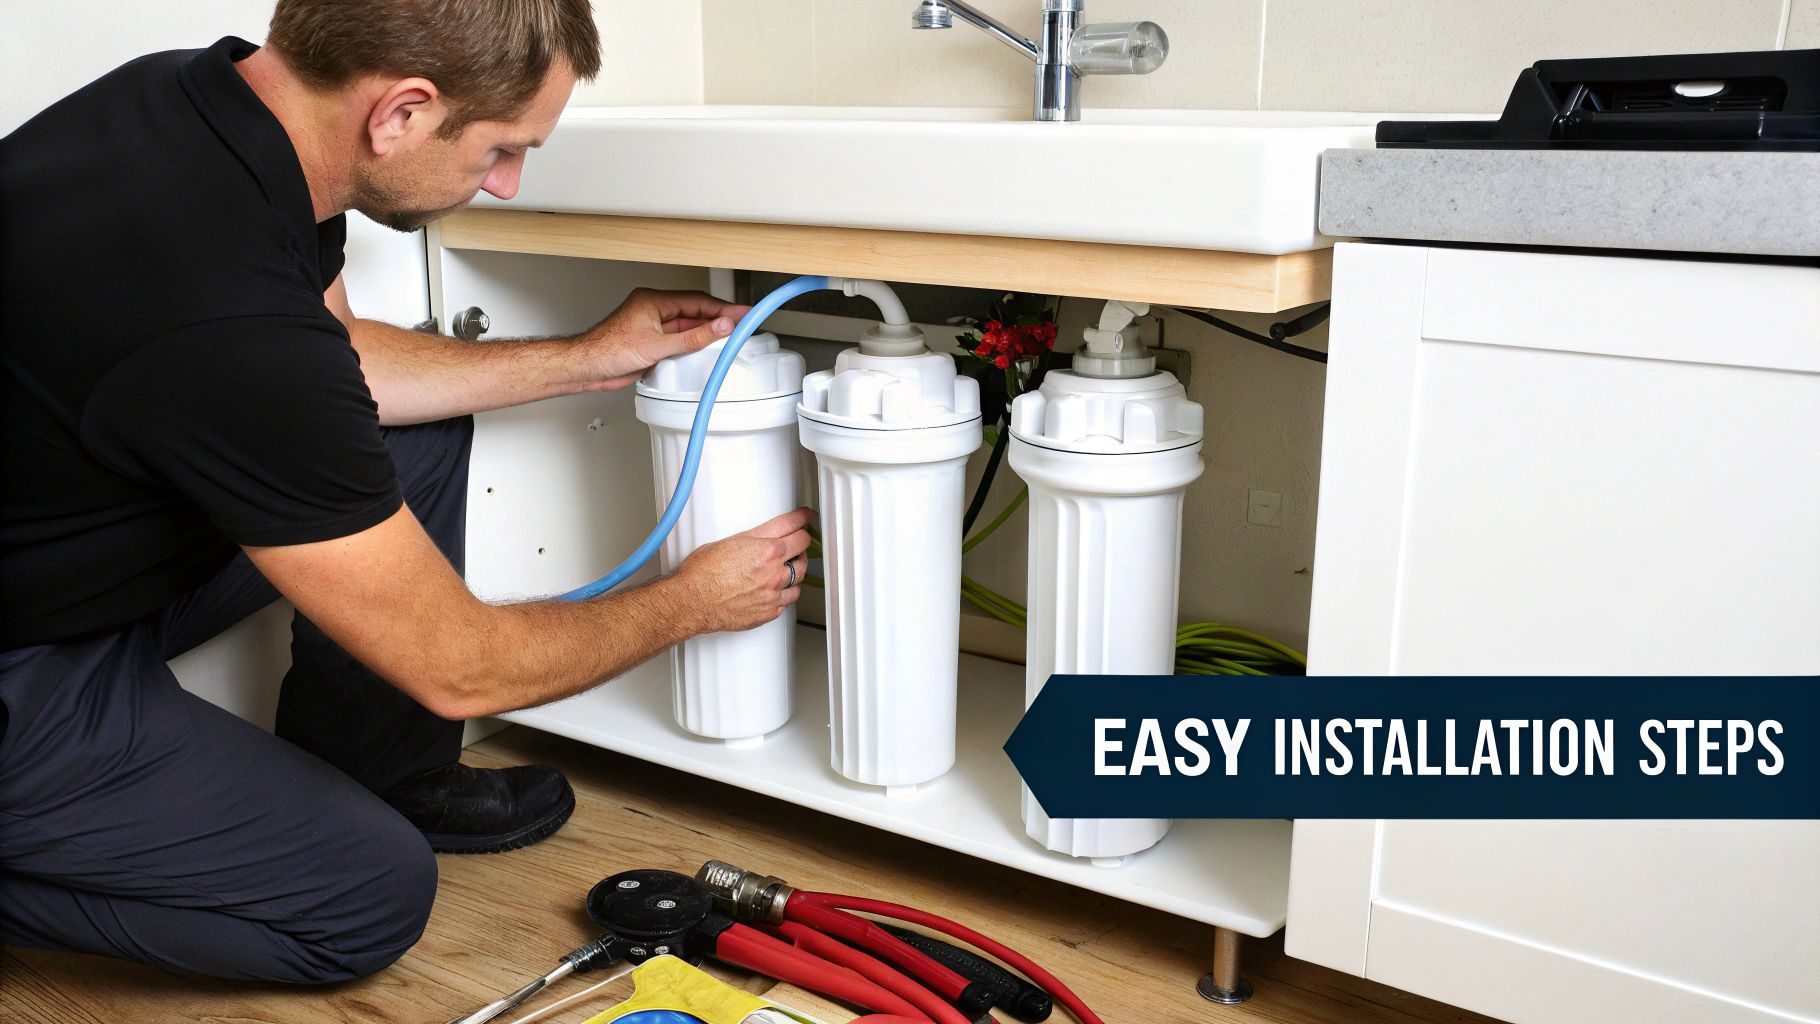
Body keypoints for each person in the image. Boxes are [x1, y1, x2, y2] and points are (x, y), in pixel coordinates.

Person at [0, 0, 814, 984]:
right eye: (501, 149)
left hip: (54, 544)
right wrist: (692, 602)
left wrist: (584, 356)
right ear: (401, 113)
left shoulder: (196, 102)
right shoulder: (225, 321)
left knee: (409, 439)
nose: (508, 185)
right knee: (365, 899)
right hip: (27, 663)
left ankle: (390, 776)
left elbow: (340, 365)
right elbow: (463, 670)